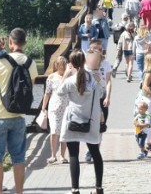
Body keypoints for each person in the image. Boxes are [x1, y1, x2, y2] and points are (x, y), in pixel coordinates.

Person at [0, 28, 39, 194]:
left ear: (10, 43)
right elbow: (29, 88)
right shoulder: (30, 63)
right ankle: (19, 192)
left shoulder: (0, 61)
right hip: (19, 116)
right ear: (25, 43)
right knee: (18, 158)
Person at [58, 50, 105, 194]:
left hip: (73, 120)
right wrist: (100, 81)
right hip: (90, 121)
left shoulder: (70, 81)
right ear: (84, 61)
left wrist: (66, 74)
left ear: (71, 64)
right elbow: (101, 94)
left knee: (73, 155)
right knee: (95, 153)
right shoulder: (92, 79)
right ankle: (98, 187)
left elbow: (59, 92)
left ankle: (75, 189)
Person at [84, 40, 113, 163]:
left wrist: (108, 97)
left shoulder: (105, 64)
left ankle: (95, 151)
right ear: (91, 49)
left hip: (101, 97)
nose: (100, 51)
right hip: (89, 98)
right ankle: (91, 150)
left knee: (101, 126)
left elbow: (108, 81)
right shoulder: (85, 63)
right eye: (97, 49)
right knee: (89, 125)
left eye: (101, 49)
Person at [42, 57, 69, 165]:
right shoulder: (51, 77)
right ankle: (53, 155)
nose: (62, 67)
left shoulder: (69, 77)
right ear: (56, 65)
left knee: (64, 132)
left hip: (66, 107)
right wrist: (43, 107)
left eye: (63, 64)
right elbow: (47, 93)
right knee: (54, 131)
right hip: (54, 107)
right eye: (60, 65)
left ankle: (62, 155)